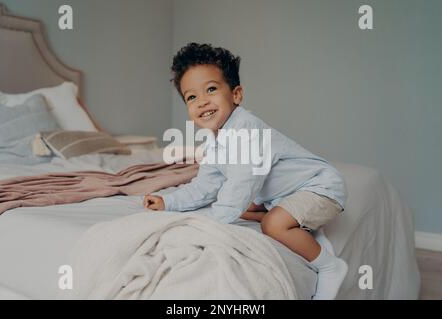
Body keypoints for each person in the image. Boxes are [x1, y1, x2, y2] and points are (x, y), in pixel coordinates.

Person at [144, 43, 348, 300]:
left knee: (272, 223)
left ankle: (329, 266)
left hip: (320, 188)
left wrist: (211, 225)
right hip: (284, 195)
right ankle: (285, 215)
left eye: (211, 89)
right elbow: (205, 187)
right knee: (243, 205)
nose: (202, 101)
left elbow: (241, 182)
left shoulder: (247, 131)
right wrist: (168, 201)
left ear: (236, 95)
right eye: (192, 97)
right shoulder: (215, 142)